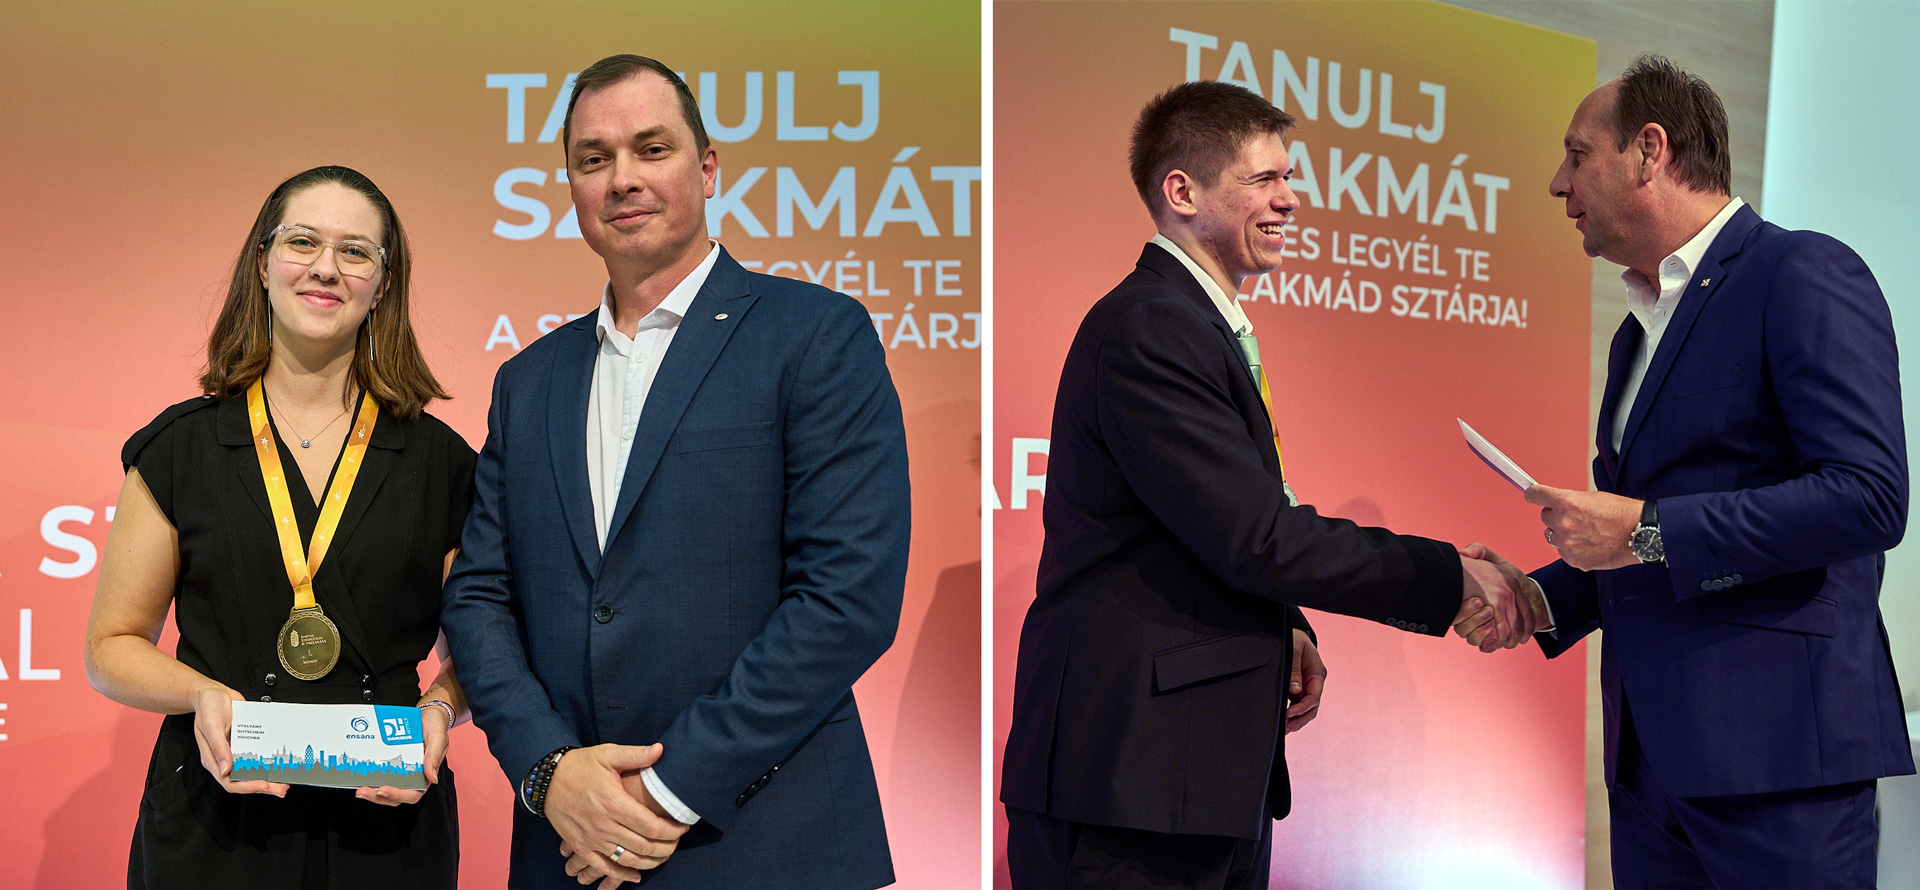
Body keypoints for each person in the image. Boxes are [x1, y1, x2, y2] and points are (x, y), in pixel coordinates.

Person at [998, 79, 1543, 889]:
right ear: (1182, 192)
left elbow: (1205, 529)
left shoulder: (1190, 323)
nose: (1291, 199)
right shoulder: (1154, 326)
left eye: (1290, 178)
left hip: (1190, 782)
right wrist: (1450, 577)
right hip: (1133, 787)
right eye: (1265, 179)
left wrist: (1286, 624)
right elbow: (1255, 536)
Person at [439, 54, 908, 890]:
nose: (622, 178)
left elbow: (848, 598)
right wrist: (549, 772)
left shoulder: (815, 335)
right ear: (572, 185)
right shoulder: (528, 381)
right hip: (568, 848)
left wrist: (663, 791)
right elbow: (479, 596)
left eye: (651, 149)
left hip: (765, 845)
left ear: (708, 167)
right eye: (594, 158)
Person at [1465, 55, 1914, 887]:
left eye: (1576, 155)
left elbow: (1868, 497)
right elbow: (1645, 539)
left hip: (1782, 766)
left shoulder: (1802, 273)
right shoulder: (1635, 333)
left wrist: (1644, 528)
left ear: (1649, 150)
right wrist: (1540, 597)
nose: (1558, 183)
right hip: (1649, 773)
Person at [84, 165, 476, 888]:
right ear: (262, 262)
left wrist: (441, 710)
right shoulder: (179, 448)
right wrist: (202, 694)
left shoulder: (443, 462)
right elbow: (111, 646)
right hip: (214, 816)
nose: (326, 267)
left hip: (387, 824)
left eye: (355, 251)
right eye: (302, 242)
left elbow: (483, 646)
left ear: (383, 284)